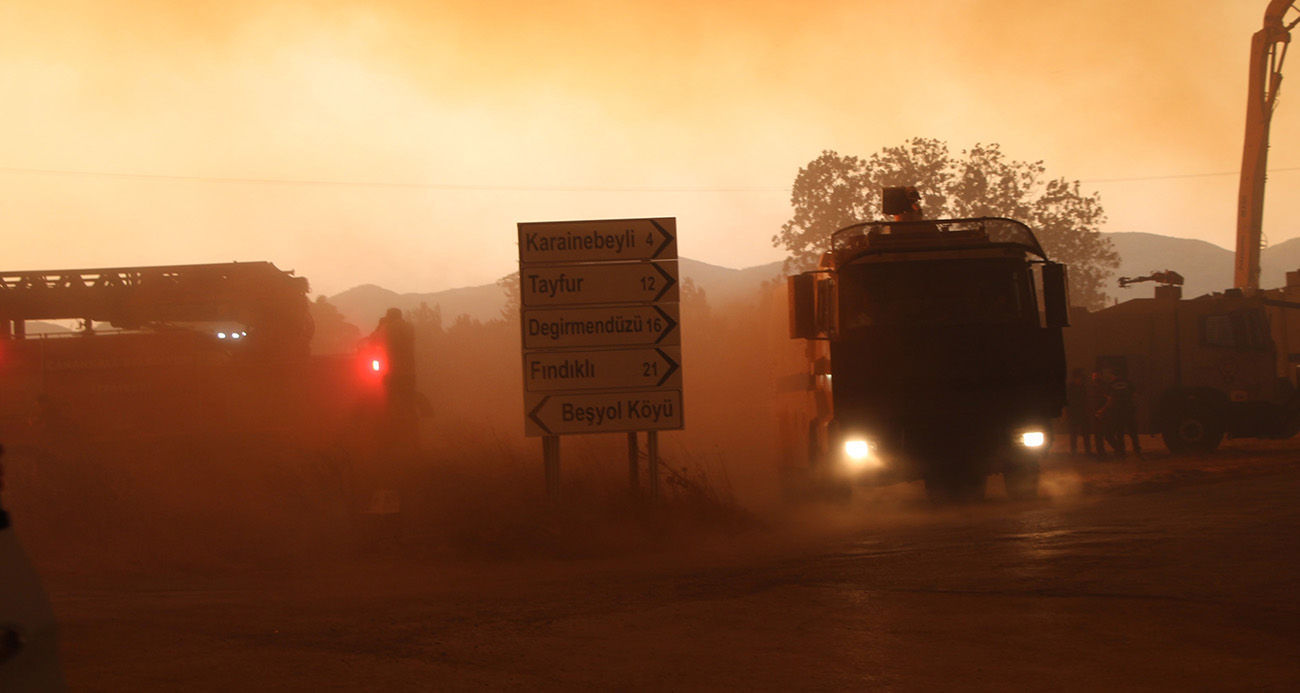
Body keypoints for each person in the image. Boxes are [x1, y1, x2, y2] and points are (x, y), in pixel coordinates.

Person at [1100, 367, 1141, 458]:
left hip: (1117, 412)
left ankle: (1121, 452)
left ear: (1113, 375)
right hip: (1129, 410)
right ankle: (1137, 450)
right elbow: (1135, 396)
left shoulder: (1111, 384)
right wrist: (1134, 407)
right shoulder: (1129, 382)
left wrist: (1104, 409)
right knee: (1133, 432)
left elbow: (1109, 399)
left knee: (1120, 432)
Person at [1065, 368, 1093, 455]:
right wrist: (1065, 413)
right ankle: (1074, 451)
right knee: (1074, 433)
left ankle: (1087, 450)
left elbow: (1086, 400)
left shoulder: (1083, 387)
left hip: (1082, 412)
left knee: (1086, 433)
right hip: (1073, 412)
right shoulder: (1070, 387)